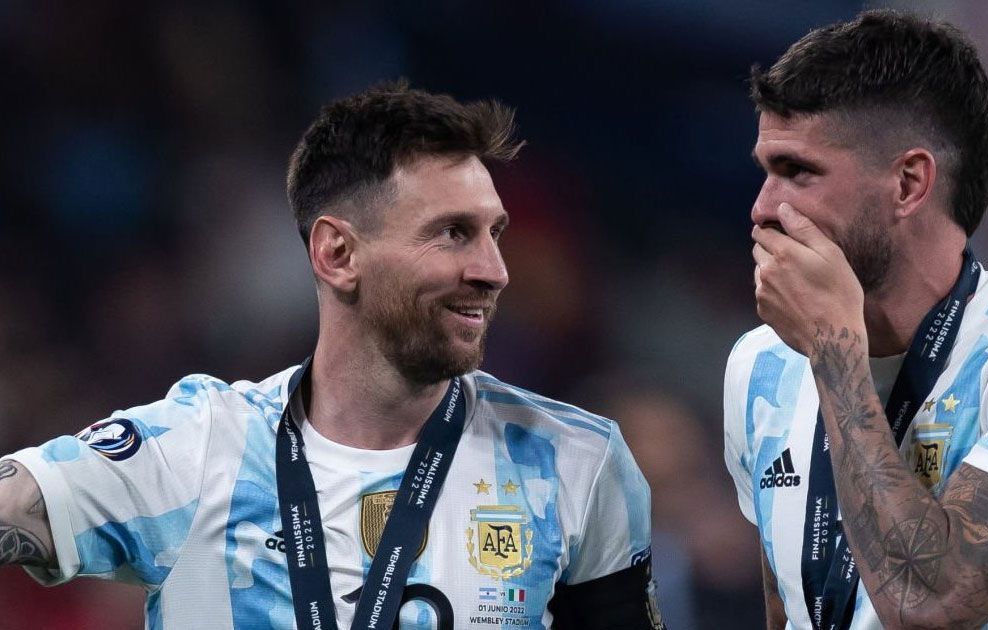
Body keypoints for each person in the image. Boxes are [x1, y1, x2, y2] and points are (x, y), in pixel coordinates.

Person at [0, 81, 663, 630]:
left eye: (495, 233)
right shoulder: (199, 447)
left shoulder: (577, 462)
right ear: (338, 255)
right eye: (453, 234)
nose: (495, 270)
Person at [723, 10, 988, 630]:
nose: (762, 208)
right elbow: (791, 608)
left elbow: (928, 602)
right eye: (765, 171)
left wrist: (832, 350)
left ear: (908, 183)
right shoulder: (760, 367)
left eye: (797, 172)